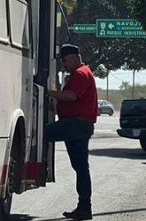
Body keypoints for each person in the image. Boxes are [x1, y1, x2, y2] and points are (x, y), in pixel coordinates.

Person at [46, 44, 98, 220]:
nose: (64, 64)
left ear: (75, 57)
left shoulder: (81, 74)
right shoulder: (82, 72)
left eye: (65, 60)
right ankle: (84, 207)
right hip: (79, 125)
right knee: (81, 167)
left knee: (41, 135)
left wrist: (47, 92)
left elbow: (71, 96)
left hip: (76, 124)